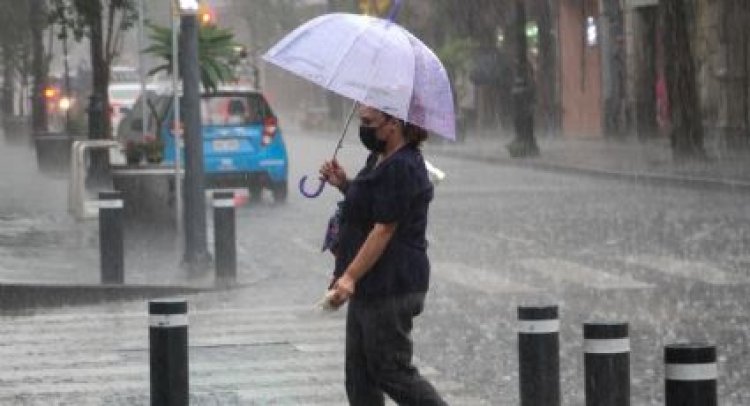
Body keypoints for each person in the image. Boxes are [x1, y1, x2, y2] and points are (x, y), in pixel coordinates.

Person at [319, 105, 447, 405]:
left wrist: (349, 276)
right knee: (360, 376)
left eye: (369, 123)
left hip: (392, 284)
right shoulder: (379, 158)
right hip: (371, 282)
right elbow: (370, 205)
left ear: (394, 124)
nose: (363, 129)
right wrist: (345, 184)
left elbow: (384, 228)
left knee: (391, 371)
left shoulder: (402, 165)